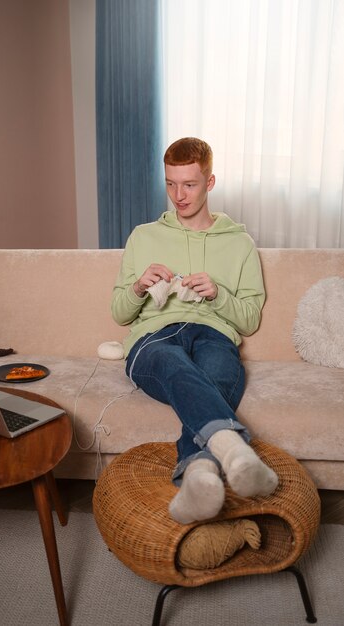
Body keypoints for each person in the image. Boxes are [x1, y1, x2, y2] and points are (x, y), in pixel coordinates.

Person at [111, 137, 278, 524]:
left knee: (218, 374)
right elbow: (120, 314)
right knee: (172, 362)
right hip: (155, 337)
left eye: (189, 184)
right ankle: (235, 453)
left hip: (214, 334)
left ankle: (199, 474)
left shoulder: (239, 243)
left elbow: (250, 318)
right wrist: (138, 286)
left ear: (210, 182)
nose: (178, 195)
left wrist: (217, 295)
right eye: (170, 183)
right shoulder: (143, 236)